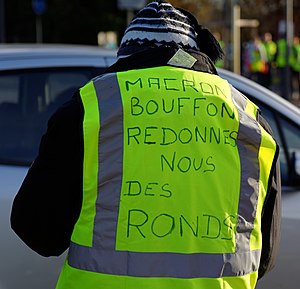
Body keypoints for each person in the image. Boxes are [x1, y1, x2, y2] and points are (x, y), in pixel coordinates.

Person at [11, 1, 281, 289]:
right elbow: (263, 258)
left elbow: (38, 232)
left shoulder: (91, 109)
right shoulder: (249, 120)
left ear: (126, 60)